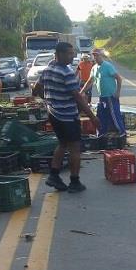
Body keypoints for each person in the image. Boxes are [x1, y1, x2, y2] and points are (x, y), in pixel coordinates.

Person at [33, 42, 100, 193]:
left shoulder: (48, 69)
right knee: (75, 148)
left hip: (53, 114)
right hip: (68, 117)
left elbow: (36, 89)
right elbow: (78, 98)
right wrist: (92, 117)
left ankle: (54, 175)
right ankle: (74, 181)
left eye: (72, 53)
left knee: (62, 144)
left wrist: (48, 99)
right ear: (59, 54)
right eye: (69, 54)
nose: (72, 56)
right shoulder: (66, 72)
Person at [81, 48, 125, 135]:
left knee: (115, 116)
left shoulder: (107, 66)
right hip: (102, 97)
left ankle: (121, 133)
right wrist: (81, 92)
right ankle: (101, 134)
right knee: (101, 116)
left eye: (97, 55)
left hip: (111, 96)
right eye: (94, 55)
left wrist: (117, 92)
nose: (95, 57)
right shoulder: (94, 68)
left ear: (101, 56)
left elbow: (119, 78)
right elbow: (90, 81)